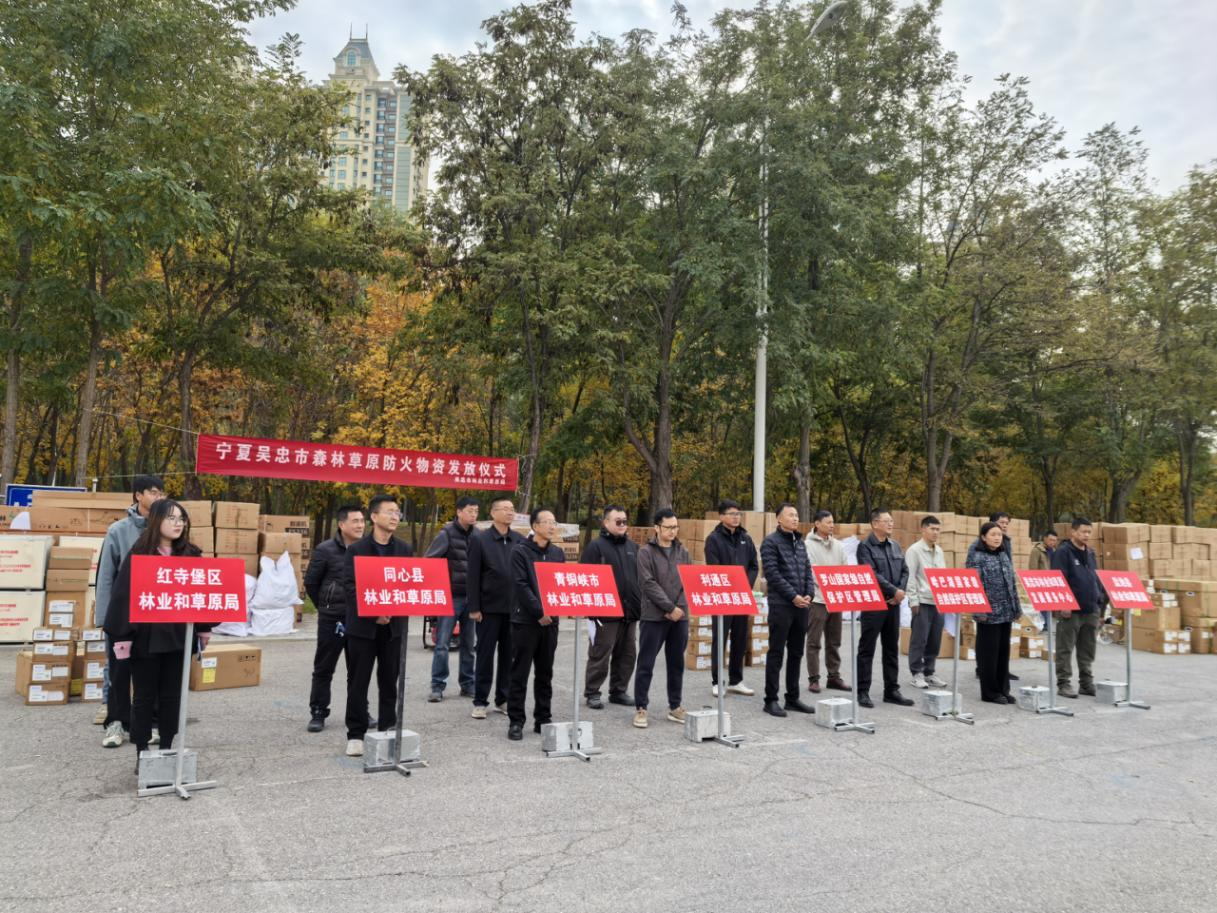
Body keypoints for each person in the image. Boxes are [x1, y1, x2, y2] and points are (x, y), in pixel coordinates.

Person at [102, 499, 212, 771]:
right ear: (156, 521)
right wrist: (122, 637)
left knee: (172, 696)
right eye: (171, 518)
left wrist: (204, 627)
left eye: (181, 519)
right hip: (145, 640)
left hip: (178, 637)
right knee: (143, 696)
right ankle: (142, 751)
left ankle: (166, 749)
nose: (178, 523)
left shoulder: (190, 555)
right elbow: (123, 596)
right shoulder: (140, 555)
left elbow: (203, 594)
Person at [340, 494, 414, 758]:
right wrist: (374, 613)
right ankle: (356, 733)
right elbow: (350, 587)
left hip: (394, 627)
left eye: (397, 512)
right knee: (358, 682)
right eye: (389, 512)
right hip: (363, 628)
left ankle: (387, 729)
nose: (395, 517)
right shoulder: (357, 550)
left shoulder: (404, 549)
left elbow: (408, 584)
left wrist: (392, 611)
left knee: (389, 681)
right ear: (374, 516)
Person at [95, 474, 165, 747]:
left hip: (155, 614)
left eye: (162, 493)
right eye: (154, 492)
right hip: (123, 614)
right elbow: (106, 577)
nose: (159, 497)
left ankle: (152, 723)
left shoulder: (166, 529)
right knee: (118, 670)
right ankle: (116, 723)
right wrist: (104, 618)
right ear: (138, 495)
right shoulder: (118, 531)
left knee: (153, 671)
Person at [303, 504, 365, 733]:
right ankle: (318, 711)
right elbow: (311, 582)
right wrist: (325, 606)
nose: (360, 525)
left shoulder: (367, 549)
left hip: (360, 619)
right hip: (333, 619)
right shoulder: (325, 550)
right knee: (324, 668)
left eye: (362, 521)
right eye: (355, 521)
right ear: (341, 524)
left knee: (358, 671)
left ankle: (360, 712)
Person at [506, 508, 565, 741]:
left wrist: (554, 611)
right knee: (519, 673)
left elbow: (559, 584)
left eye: (554, 522)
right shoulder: (520, 551)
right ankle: (516, 721)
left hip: (551, 623)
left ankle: (543, 718)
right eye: (547, 522)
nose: (551, 526)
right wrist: (539, 612)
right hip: (525, 621)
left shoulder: (557, 553)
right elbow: (521, 585)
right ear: (535, 526)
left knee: (545, 673)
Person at [632, 508, 691, 729]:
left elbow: (689, 580)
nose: (673, 531)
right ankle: (641, 707)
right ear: (656, 528)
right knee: (646, 663)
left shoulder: (683, 552)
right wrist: (668, 607)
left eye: (675, 527)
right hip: (654, 616)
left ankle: (675, 706)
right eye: (668, 527)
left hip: (680, 616)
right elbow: (647, 583)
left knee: (676, 663)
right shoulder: (645, 552)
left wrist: (678, 608)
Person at [468, 496, 523, 719]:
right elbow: (473, 575)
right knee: (485, 655)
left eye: (512, 509)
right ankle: (480, 701)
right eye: (505, 508)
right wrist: (474, 607)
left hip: (513, 609)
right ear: (493, 513)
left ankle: (503, 699)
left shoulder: (519, 540)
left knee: (509, 656)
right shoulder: (480, 540)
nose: (510, 512)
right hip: (488, 609)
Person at [759, 503, 816, 717]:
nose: (795, 518)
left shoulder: (799, 542)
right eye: (790, 515)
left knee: (796, 652)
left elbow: (808, 570)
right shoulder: (770, 542)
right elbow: (772, 574)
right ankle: (771, 700)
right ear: (779, 519)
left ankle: (792, 698)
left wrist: (809, 593)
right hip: (782, 605)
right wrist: (793, 596)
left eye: (796, 515)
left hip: (802, 606)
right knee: (776, 652)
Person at [581, 505, 639, 710]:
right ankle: (592, 692)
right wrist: (591, 610)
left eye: (625, 521)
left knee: (627, 654)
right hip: (604, 611)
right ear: (606, 522)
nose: (622, 524)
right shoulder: (595, 547)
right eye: (618, 521)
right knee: (600, 653)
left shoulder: (633, 547)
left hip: (629, 611)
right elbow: (586, 578)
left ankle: (618, 691)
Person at [855, 508, 914, 708]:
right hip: (874, 604)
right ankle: (863, 691)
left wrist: (900, 592)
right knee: (867, 648)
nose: (890, 523)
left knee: (891, 648)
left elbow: (905, 570)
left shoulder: (895, 546)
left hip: (893, 604)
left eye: (891, 520)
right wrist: (894, 591)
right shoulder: (865, 547)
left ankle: (891, 690)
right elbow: (871, 574)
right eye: (886, 520)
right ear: (874, 524)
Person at [425, 496, 479, 703]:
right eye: (470, 510)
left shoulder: (479, 535)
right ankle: (437, 686)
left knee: (469, 645)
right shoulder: (446, 534)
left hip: (472, 598)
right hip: (450, 597)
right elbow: (430, 561)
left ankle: (468, 684)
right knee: (442, 644)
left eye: (476, 511)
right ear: (459, 512)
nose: (473, 514)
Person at [703, 499, 758, 697]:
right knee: (720, 638)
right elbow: (714, 567)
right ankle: (717, 681)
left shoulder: (746, 538)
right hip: (723, 596)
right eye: (731, 514)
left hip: (742, 596)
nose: (736, 517)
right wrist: (730, 586)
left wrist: (745, 586)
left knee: (740, 638)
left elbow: (754, 566)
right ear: (721, 516)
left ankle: (736, 680)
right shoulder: (714, 539)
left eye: (738, 514)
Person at [1051, 517, 1107, 698]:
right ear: (1073, 532)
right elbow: (1058, 579)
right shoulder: (1063, 552)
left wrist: (1100, 606)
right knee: (1065, 648)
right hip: (1071, 610)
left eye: (1089, 532)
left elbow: (1095, 579)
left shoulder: (1090, 553)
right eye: (1083, 531)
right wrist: (1063, 604)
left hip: (1091, 609)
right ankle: (1063, 683)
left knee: (1087, 649)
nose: (1087, 535)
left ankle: (1086, 682)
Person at [966, 522, 1020, 703]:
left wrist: (1016, 607)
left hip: (1005, 612)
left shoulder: (1003, 554)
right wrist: (979, 610)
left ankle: (1003, 689)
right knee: (988, 654)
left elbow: (1011, 582)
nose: (997, 538)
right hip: (988, 614)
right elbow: (974, 584)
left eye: (999, 535)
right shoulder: (977, 556)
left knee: (1003, 653)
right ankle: (990, 692)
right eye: (993, 534)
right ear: (983, 537)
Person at [803, 509, 850, 694]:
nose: (832, 525)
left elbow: (844, 567)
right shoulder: (807, 545)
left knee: (834, 640)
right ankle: (814, 679)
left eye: (833, 522)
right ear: (817, 524)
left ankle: (834, 677)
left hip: (835, 598)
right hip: (818, 598)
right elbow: (812, 571)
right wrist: (830, 582)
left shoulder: (838, 545)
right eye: (828, 522)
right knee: (814, 641)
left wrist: (837, 587)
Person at [905, 515, 948, 690]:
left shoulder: (940, 551)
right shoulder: (914, 551)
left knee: (934, 639)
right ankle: (917, 673)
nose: (936, 532)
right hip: (922, 601)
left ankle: (929, 672)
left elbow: (943, 577)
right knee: (919, 639)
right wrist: (913, 601)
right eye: (932, 529)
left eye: (938, 529)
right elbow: (910, 577)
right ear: (923, 529)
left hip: (938, 602)